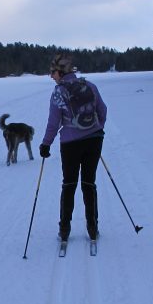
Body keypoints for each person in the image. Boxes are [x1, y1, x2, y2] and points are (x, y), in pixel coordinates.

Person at [38, 54, 107, 242]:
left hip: (70, 143)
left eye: (52, 72)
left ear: (60, 72)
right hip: (94, 139)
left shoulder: (58, 93)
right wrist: (96, 129)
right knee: (89, 183)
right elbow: (103, 110)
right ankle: (93, 228)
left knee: (69, 185)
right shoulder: (90, 86)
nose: (51, 76)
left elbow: (53, 123)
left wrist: (46, 144)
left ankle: (65, 229)